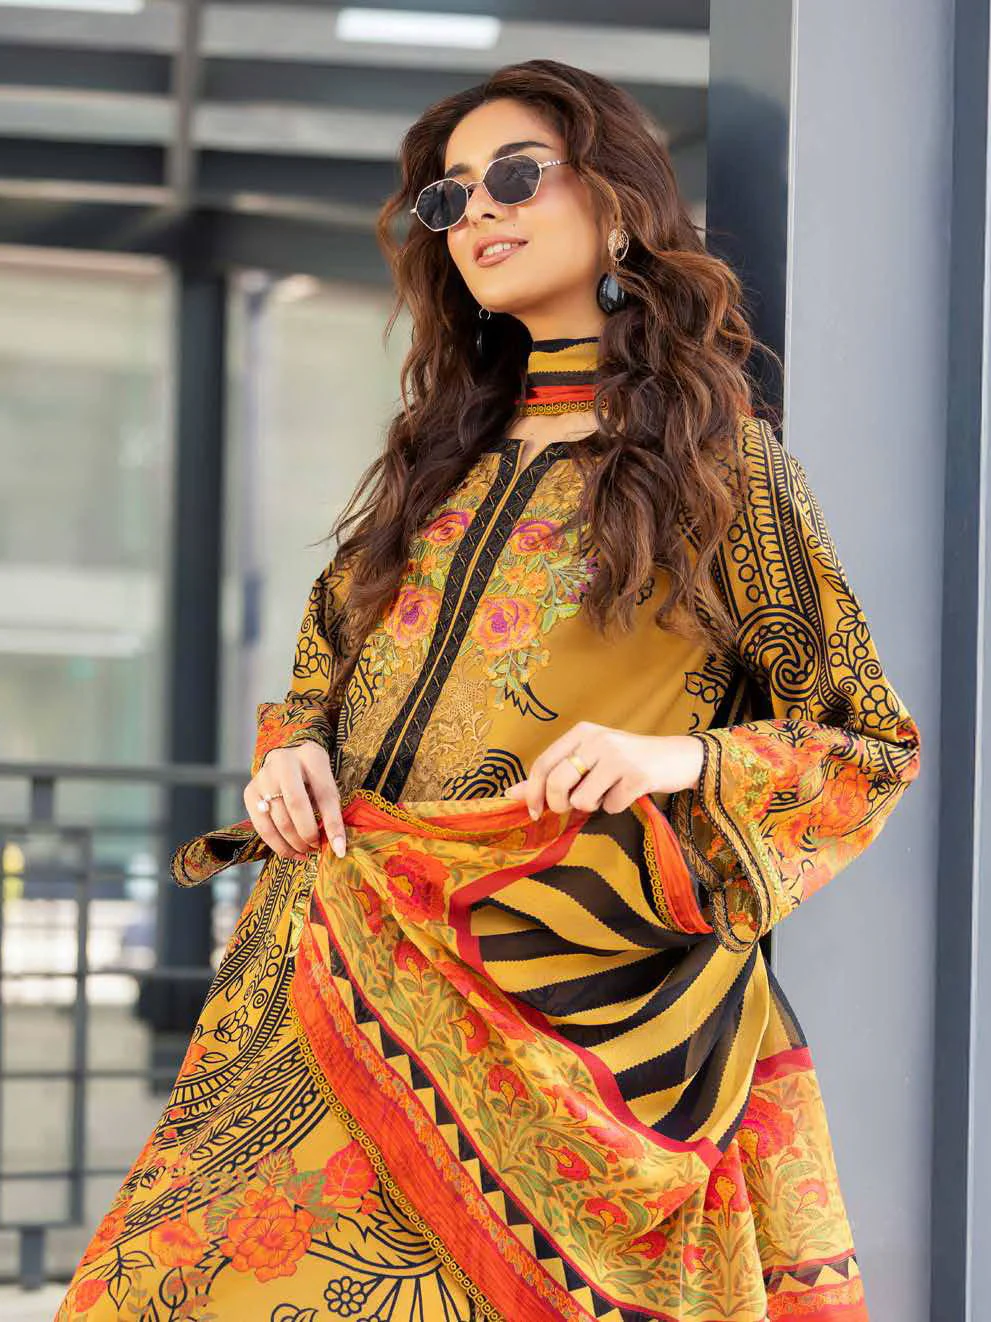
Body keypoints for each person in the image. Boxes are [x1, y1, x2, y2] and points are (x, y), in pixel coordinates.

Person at [57, 59, 920, 1322]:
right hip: (334, 958)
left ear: (616, 203)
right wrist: (291, 748)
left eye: (515, 175)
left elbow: (864, 740)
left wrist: (675, 757)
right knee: (167, 1289)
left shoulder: (722, 466)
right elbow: (323, 668)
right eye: (449, 198)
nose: (478, 213)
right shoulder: (433, 456)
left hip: (559, 998)